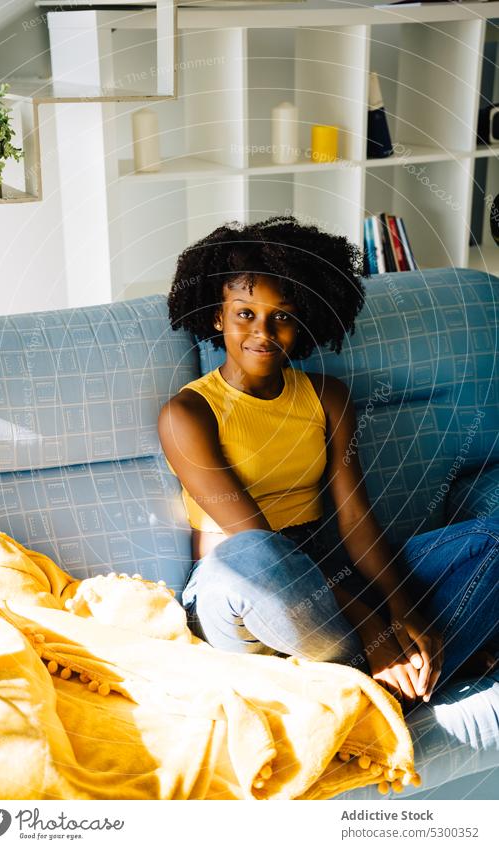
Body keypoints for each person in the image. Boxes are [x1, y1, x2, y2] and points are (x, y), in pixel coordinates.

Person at [158, 214, 499, 710]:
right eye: (245, 314)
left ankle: (380, 686)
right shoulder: (187, 414)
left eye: (283, 316)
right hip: (243, 587)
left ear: (304, 321)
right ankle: (413, 667)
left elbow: (357, 522)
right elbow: (255, 542)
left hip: (330, 577)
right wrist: (373, 626)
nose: (264, 332)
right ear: (217, 316)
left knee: (492, 540)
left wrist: (404, 613)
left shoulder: (326, 397)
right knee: (255, 555)